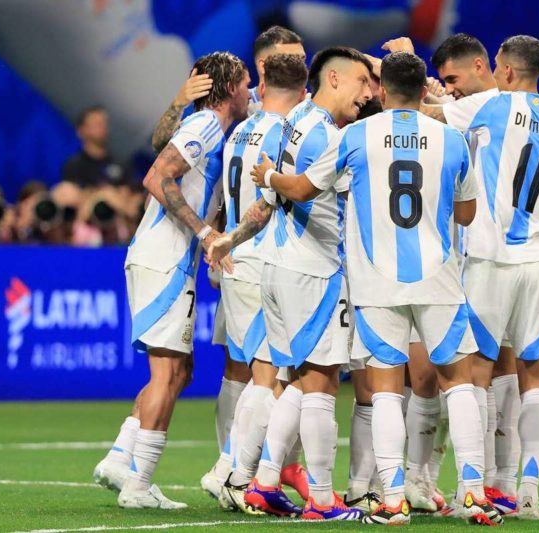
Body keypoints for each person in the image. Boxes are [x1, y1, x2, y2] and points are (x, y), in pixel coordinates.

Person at [245, 50, 502, 527]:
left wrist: (268, 177)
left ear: (383, 93)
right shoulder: (451, 139)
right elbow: (465, 215)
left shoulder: (354, 136)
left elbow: (300, 190)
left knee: (385, 388)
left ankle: (392, 500)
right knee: (458, 381)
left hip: (375, 281)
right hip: (440, 277)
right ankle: (472, 493)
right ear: (424, 91)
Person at [420, 35, 539, 520]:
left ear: (508, 72)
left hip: (489, 259)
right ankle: (526, 491)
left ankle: (471, 488)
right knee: (533, 376)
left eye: (496, 64)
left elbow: (426, 113)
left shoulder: (490, 107)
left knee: (474, 370)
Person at [208, 46, 372, 521]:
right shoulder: (328, 135)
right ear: (334, 80)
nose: (367, 94)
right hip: (314, 272)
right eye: (362, 82)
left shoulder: (292, 121)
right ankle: (322, 500)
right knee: (321, 385)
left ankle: (260, 482)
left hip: (277, 267)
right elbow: (294, 190)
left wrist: (231, 237)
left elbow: (269, 201)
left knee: (292, 382)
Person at [92, 51, 251, 510]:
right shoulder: (206, 126)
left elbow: (165, 143)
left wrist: (178, 101)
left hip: (164, 258)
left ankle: (122, 457)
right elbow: (156, 175)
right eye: (244, 83)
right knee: (167, 373)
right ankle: (138, 486)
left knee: (179, 371)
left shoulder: (205, 125)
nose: (249, 91)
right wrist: (205, 232)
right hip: (163, 256)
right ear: (227, 89)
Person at [207, 53, 308, 513]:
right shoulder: (283, 133)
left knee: (259, 375)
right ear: (303, 92)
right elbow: (265, 204)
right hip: (259, 259)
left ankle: (234, 471)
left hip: (239, 264)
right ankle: (231, 473)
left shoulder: (240, 130)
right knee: (267, 377)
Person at [62, 105, 134, 189]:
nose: (102, 127)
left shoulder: (120, 164)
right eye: (97, 124)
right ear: (81, 131)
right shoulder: (73, 167)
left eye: (104, 123)